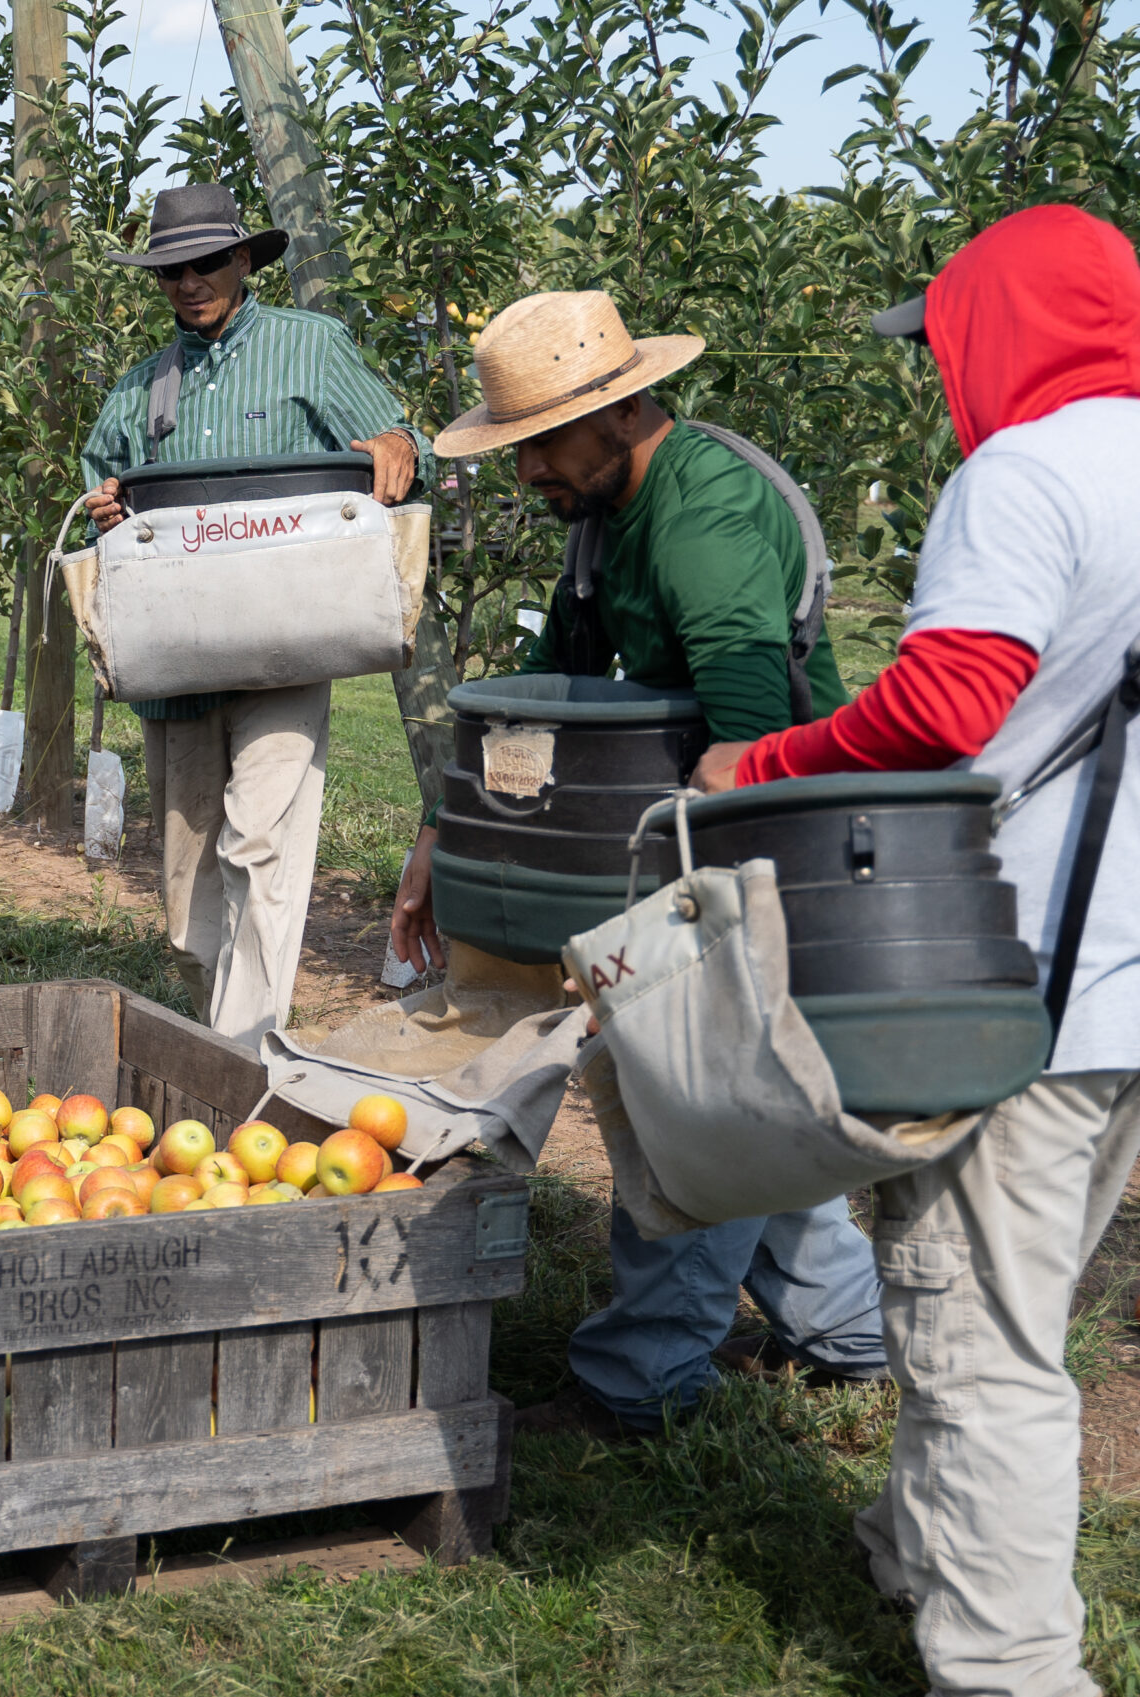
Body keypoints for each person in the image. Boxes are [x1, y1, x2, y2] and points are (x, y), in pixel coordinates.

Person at [694, 206, 1140, 1697]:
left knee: (980, 1346)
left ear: (993, 329)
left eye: (943, 337)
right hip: (1126, 974)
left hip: (1003, 982)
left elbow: (951, 697)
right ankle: (918, 1543)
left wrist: (772, 765)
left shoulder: (1025, 472)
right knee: (1010, 1302)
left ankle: (1012, 1676)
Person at [395, 288, 886, 1437]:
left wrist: (682, 926)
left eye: (541, 447)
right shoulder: (600, 520)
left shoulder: (697, 512)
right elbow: (553, 699)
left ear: (619, 415)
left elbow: (752, 727)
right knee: (756, 1105)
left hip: (764, 828)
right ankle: (850, 1330)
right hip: (696, 818)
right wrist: (443, 835)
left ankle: (641, 1381)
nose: (526, 475)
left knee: (693, 1094)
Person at [77, 183, 425, 1045]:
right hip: (181, 662)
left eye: (203, 263)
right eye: (169, 271)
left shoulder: (310, 349)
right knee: (189, 906)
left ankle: (245, 1059)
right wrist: (105, 507)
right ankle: (220, 1030)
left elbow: (397, 440)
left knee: (262, 847)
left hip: (285, 650)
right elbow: (97, 487)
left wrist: (398, 445)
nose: (188, 282)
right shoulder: (141, 390)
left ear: (242, 258)